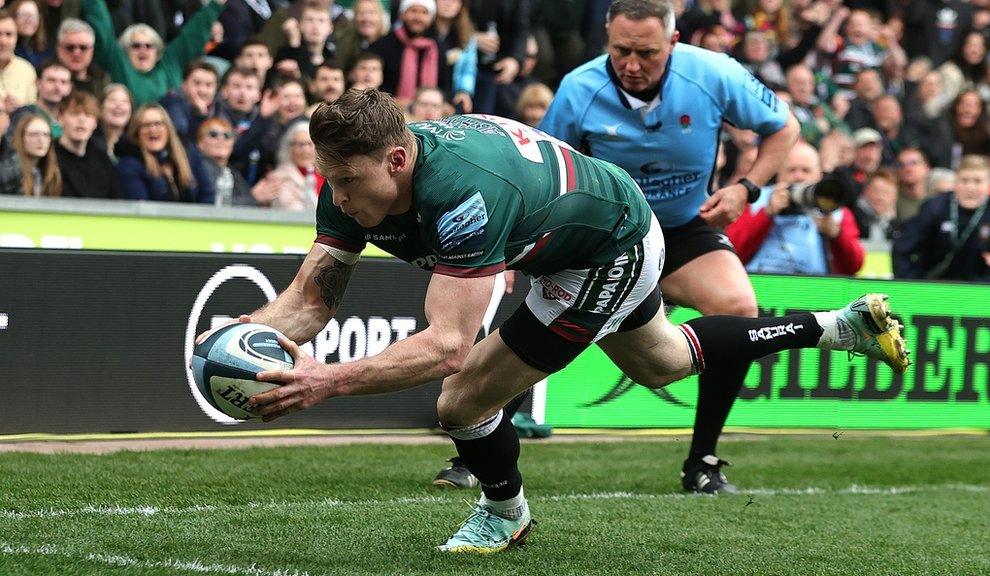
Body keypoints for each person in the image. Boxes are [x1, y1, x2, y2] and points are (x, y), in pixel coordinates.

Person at [199, 89, 908, 553]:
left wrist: (326, 382)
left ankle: (505, 514)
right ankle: (837, 326)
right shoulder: (349, 182)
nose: (340, 198)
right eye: (331, 180)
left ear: (396, 157)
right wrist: (251, 336)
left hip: (609, 246)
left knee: (464, 397)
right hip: (572, 232)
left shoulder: (463, 196)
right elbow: (311, 302)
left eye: (350, 182)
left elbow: (447, 346)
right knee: (662, 360)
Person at [539, 0, 800, 494]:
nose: (632, 65)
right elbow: (547, 169)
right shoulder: (579, 89)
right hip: (607, 237)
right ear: (606, 41)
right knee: (540, 319)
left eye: (647, 53)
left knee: (739, 306)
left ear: (674, 43)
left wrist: (747, 188)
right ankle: (476, 446)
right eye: (621, 51)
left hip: (682, 228)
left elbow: (785, 127)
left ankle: (702, 460)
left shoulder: (714, 73)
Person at [727, 141, 863, 276]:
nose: (799, 177)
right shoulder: (755, 200)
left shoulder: (835, 210)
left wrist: (837, 234)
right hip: (760, 285)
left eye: (806, 170)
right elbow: (731, 250)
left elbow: (855, 266)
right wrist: (766, 214)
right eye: (791, 170)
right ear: (779, 173)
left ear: (819, 175)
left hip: (815, 290)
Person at [893, 154, 990, 283]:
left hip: (982, 285)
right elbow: (902, 248)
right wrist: (914, 282)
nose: (970, 187)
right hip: (936, 283)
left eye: (977, 181)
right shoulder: (935, 207)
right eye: (964, 180)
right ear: (955, 182)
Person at [81, 0, 227, 104]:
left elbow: (192, 34)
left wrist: (215, 5)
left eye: (149, 46)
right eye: (136, 46)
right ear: (125, 50)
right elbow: (101, 25)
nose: (143, 50)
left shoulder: (169, 66)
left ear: (157, 51)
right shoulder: (119, 65)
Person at [116, 103, 214, 203]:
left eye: (158, 123)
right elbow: (141, 209)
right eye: (146, 125)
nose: (153, 129)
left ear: (168, 129)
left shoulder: (190, 156)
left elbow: (207, 196)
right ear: (137, 133)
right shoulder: (129, 166)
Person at [55, 90, 120, 199]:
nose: (82, 119)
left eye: (88, 115)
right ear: (61, 118)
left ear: (95, 123)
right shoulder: (49, 156)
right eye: (75, 114)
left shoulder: (103, 160)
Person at [250, 120, 322, 211]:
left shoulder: (326, 174)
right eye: (300, 145)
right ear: (289, 148)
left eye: (310, 144)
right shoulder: (279, 178)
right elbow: (289, 209)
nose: (305, 151)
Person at [195, 116, 257, 207]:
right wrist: (255, 197)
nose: (221, 140)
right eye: (213, 134)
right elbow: (213, 203)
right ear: (199, 143)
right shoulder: (198, 170)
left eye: (227, 136)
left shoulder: (231, 171)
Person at [7, 60, 72, 140]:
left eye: (63, 82)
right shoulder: (23, 116)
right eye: (51, 80)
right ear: (38, 84)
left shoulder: (70, 118)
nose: (57, 87)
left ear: (69, 88)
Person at [0, 114, 60, 196]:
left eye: (46, 135)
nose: (41, 140)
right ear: (21, 138)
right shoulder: (9, 172)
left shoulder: (51, 171)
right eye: (34, 134)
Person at [55, 18, 109, 99]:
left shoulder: (103, 82)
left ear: (92, 51)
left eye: (83, 48)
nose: (76, 53)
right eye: (70, 47)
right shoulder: (46, 78)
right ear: (59, 49)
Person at [0, 9, 38, 109]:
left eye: (9, 34)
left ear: (16, 38)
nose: (3, 41)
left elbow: (32, 112)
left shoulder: (26, 70)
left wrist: (21, 109)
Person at [97, 82, 131, 162]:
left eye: (124, 101)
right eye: (113, 100)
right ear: (100, 107)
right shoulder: (89, 142)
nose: (119, 105)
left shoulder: (136, 145)